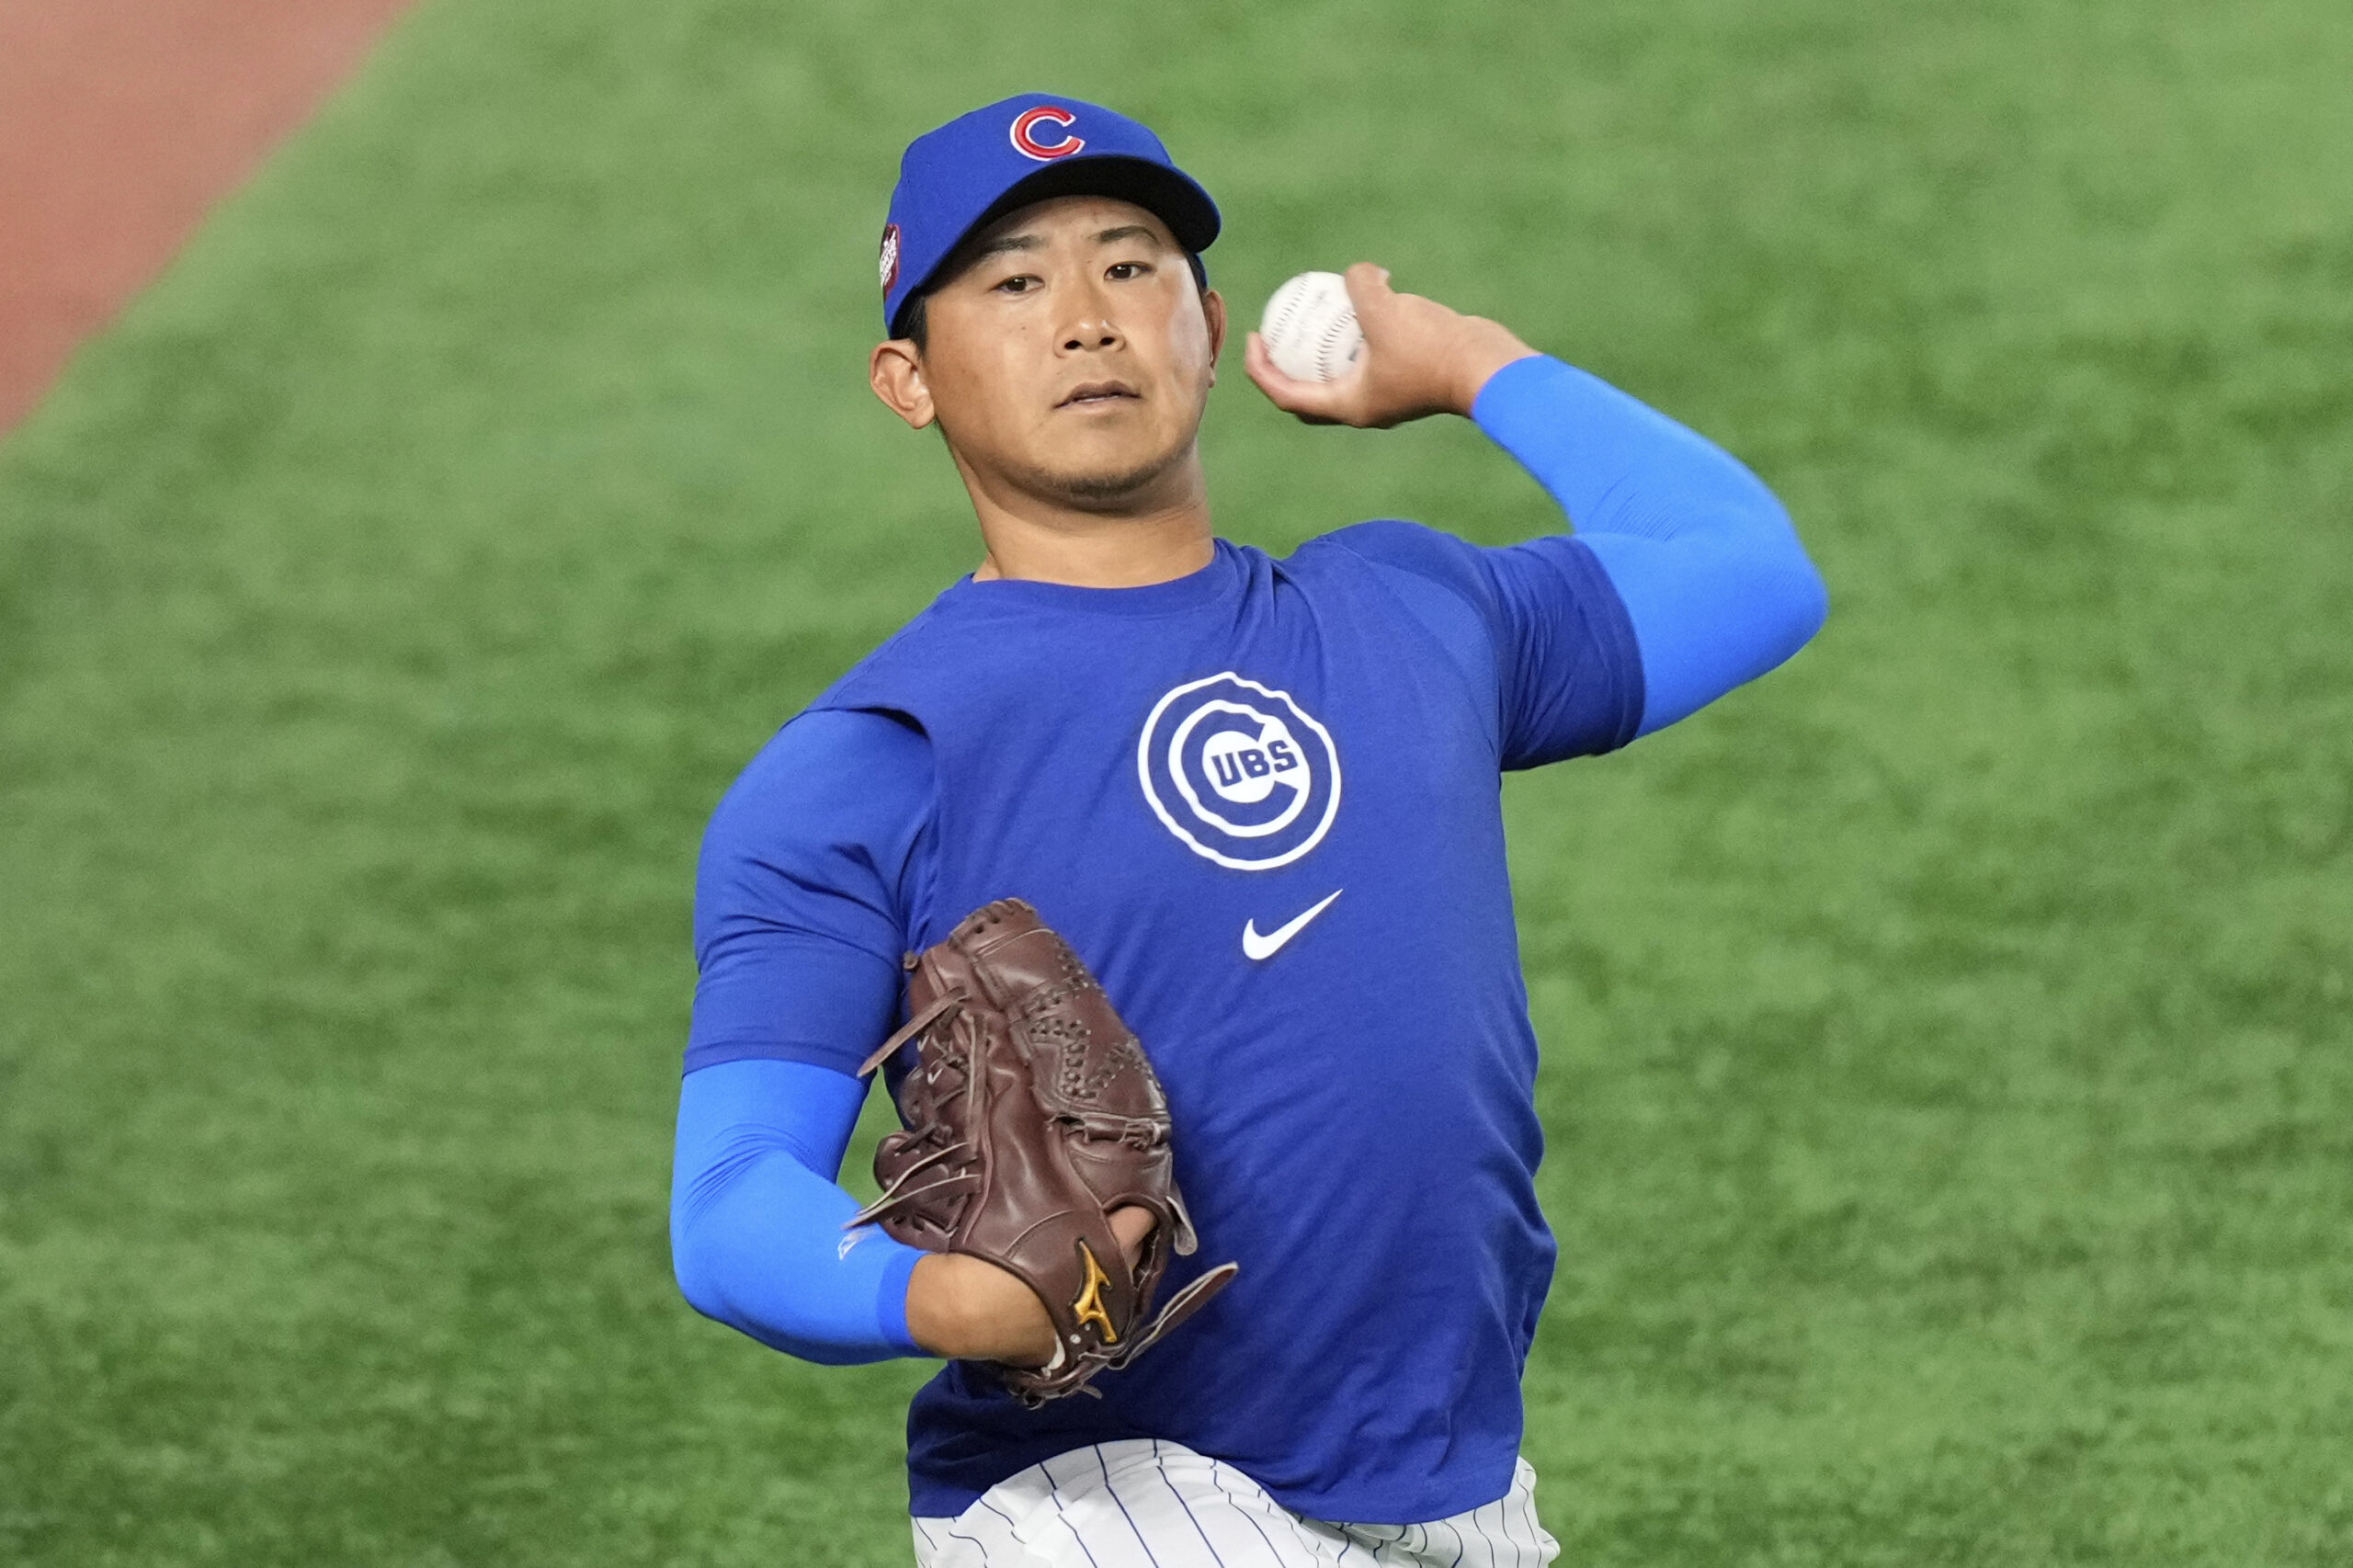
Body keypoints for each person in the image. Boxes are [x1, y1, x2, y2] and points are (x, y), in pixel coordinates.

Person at [669, 94, 1827, 1565]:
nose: (1088, 318)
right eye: (1016, 282)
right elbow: (729, 1201)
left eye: (1132, 265)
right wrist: (942, 1297)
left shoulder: (1410, 613)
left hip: (1456, 1473)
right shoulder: (868, 767)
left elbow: (1749, 571)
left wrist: (1477, 364)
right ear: (909, 378)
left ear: (1209, 327)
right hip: (1107, 1493)